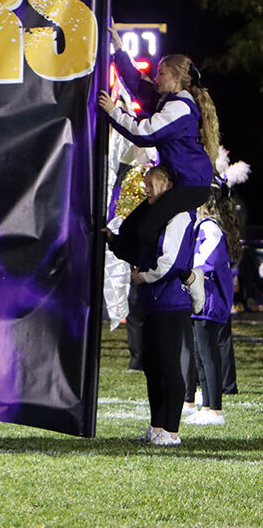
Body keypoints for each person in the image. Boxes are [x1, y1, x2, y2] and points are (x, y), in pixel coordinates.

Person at [98, 22, 218, 311]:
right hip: (181, 181)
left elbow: (144, 133)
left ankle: (185, 275)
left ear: (176, 79)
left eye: (162, 73)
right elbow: (136, 81)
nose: (156, 76)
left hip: (192, 185)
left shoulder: (180, 107)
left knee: (146, 230)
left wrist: (114, 112)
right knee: (129, 230)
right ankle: (141, 265)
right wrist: (117, 47)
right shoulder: (168, 99)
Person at [130, 165, 196, 446]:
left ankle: (172, 432)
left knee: (169, 365)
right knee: (152, 365)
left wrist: (144, 276)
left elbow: (170, 262)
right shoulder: (158, 214)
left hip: (171, 301)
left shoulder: (179, 216)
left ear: (168, 185)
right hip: (155, 300)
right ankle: (157, 427)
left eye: (151, 183)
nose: (146, 189)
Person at [183, 182, 242, 426]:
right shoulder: (204, 226)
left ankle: (215, 410)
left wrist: (186, 272)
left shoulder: (210, 227)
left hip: (209, 298)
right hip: (203, 297)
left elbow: (207, 260)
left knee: (208, 355)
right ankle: (206, 406)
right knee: (200, 355)